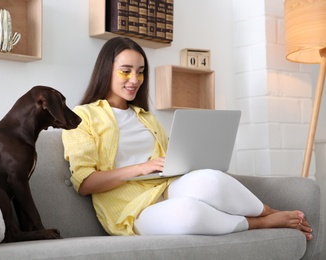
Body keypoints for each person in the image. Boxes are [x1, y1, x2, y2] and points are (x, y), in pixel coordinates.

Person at [62, 37, 313, 240]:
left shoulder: (146, 117)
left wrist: (188, 159)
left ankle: (271, 211)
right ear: (107, 70)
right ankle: (260, 223)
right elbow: (85, 183)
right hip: (130, 210)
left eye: (140, 72)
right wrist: (140, 168)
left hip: (163, 187)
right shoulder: (80, 118)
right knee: (189, 213)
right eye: (126, 71)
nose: (135, 80)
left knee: (211, 179)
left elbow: (172, 159)